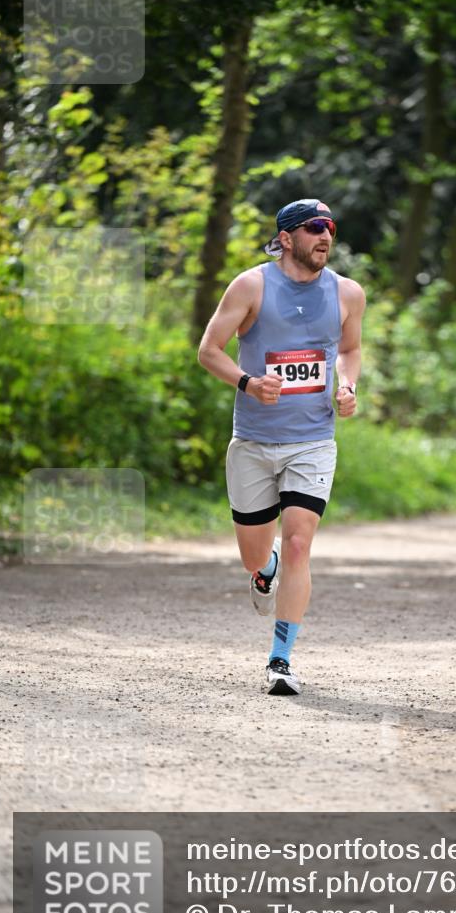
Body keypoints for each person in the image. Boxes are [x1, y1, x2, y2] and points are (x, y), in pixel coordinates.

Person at [197, 199, 366, 695]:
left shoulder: (347, 293)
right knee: (257, 556)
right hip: (252, 440)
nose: (326, 236)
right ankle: (262, 569)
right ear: (287, 237)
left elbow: (351, 350)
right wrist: (248, 382)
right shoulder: (251, 286)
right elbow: (209, 350)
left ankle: (281, 659)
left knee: (298, 543)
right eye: (315, 227)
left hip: (313, 440)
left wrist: (348, 385)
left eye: (331, 228)